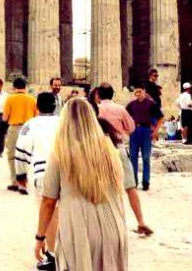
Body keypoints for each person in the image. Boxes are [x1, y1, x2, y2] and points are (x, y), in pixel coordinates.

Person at [34, 98, 127, 271]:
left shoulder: (60, 153)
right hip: (114, 228)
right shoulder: (111, 150)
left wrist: (40, 237)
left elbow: (48, 201)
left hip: (79, 230)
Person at [97, 84, 153, 236]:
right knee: (130, 186)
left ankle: (104, 224)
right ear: (113, 94)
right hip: (117, 147)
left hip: (98, 148)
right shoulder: (120, 109)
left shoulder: (95, 109)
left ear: (98, 95)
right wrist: (121, 129)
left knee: (100, 186)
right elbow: (132, 128)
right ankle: (140, 222)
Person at [15, 92, 60, 269]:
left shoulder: (30, 125)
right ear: (55, 106)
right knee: (62, 213)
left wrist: (20, 175)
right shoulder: (63, 122)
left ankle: (53, 255)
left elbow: (21, 151)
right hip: (65, 172)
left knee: (48, 213)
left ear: (37, 106)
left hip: (42, 173)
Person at [3, 77, 38, 192]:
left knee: (12, 155)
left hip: (14, 128)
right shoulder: (32, 99)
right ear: (25, 87)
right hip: (28, 129)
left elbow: (5, 117)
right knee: (26, 156)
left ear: (14, 87)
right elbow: (36, 116)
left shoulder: (10, 99)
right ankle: (24, 181)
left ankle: (15, 182)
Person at [127, 85, 163, 190]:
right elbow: (125, 117)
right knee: (133, 157)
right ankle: (134, 182)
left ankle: (146, 182)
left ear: (144, 91)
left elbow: (161, 117)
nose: (138, 94)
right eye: (136, 92)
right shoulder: (131, 105)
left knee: (146, 157)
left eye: (139, 91)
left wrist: (156, 131)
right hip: (134, 131)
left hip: (146, 131)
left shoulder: (150, 104)